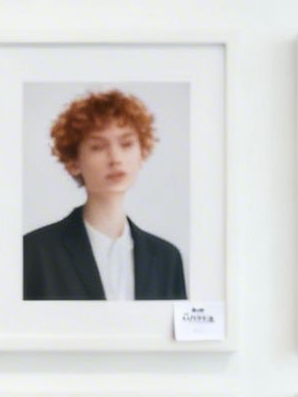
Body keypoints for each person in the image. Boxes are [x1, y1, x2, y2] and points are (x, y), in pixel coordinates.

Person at [23, 88, 187, 301]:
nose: (115, 158)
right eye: (98, 147)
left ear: (142, 152)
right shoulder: (34, 253)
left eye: (126, 144)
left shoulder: (166, 258)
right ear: (73, 162)